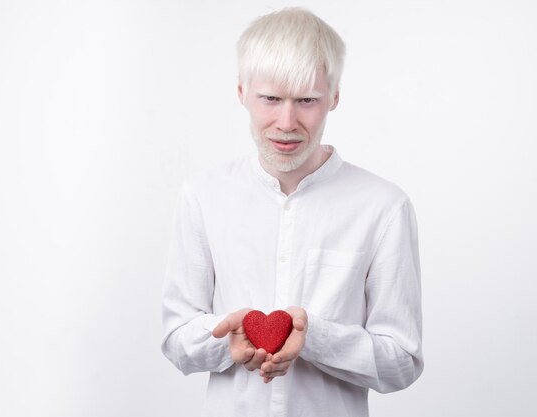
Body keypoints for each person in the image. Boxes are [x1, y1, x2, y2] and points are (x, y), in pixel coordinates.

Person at [161, 7, 423, 417]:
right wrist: (228, 340)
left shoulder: (384, 206)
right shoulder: (202, 195)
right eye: (270, 99)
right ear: (242, 93)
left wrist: (314, 336)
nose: (286, 122)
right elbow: (176, 338)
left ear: (334, 97)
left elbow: (402, 362)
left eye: (307, 100)